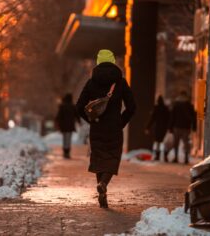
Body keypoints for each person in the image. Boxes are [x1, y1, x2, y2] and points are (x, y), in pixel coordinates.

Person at [76, 49, 135, 208]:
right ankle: (103, 184)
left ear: (98, 62)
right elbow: (132, 107)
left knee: (99, 158)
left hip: (97, 127)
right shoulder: (120, 82)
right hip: (114, 128)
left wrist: (91, 120)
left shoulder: (91, 82)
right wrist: (121, 122)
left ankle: (102, 189)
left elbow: (79, 106)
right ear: (113, 62)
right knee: (112, 157)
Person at [169, 91, 197, 164]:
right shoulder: (189, 105)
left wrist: (170, 127)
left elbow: (172, 116)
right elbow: (193, 116)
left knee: (176, 143)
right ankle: (186, 158)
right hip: (186, 127)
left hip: (177, 126)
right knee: (186, 143)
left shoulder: (176, 104)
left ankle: (175, 158)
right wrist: (194, 127)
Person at [55, 93, 80, 159]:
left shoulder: (62, 106)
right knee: (68, 139)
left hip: (63, 126)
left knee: (64, 139)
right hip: (70, 125)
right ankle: (67, 152)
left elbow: (59, 116)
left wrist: (58, 123)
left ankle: (65, 151)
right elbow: (77, 115)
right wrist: (79, 121)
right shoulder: (72, 106)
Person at [145, 95, 169, 161]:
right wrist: (169, 127)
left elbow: (152, 119)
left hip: (157, 128)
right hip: (164, 128)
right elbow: (169, 118)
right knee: (164, 142)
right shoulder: (166, 108)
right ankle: (165, 157)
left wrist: (148, 127)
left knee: (157, 142)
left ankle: (157, 156)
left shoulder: (156, 108)